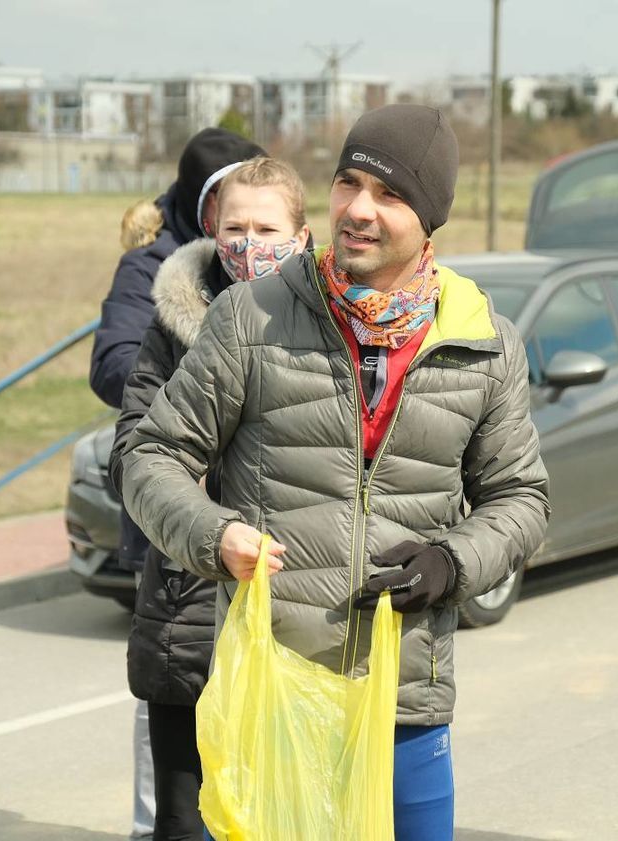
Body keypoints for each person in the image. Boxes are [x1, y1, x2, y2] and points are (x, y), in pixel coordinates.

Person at [118, 104, 550, 840]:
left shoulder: (486, 343)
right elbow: (150, 456)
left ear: (430, 219)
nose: (357, 209)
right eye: (348, 183)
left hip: (407, 701)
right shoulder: (251, 319)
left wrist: (453, 559)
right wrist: (212, 533)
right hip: (273, 698)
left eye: (388, 194)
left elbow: (521, 498)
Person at [109, 157, 310, 841]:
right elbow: (136, 453)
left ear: (303, 235)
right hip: (187, 613)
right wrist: (208, 513)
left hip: (297, 613)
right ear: (211, 229)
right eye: (236, 227)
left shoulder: (327, 329)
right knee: (185, 824)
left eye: (267, 227)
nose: (250, 243)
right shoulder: (172, 329)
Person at [89, 127, 265, 841]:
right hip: (172, 514)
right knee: (173, 682)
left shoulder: (293, 289)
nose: (248, 235)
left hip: (255, 541)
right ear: (205, 206)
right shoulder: (155, 271)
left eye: (264, 221)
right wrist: (204, 385)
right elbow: (114, 367)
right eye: (231, 214)